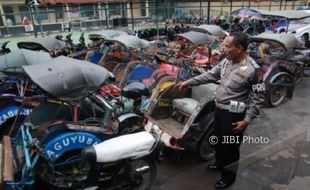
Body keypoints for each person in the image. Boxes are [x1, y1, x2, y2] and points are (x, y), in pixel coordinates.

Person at [176, 32, 264, 189]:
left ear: (239, 48)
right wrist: (189, 82)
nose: (224, 49)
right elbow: (210, 75)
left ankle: (228, 177)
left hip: (235, 114)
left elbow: (258, 98)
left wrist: (246, 120)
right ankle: (219, 163)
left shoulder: (254, 71)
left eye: (228, 46)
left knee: (230, 147)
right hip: (218, 109)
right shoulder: (226, 62)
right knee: (216, 140)